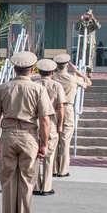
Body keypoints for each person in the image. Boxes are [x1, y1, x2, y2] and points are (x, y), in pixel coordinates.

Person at [0, 51, 52, 213]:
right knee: (27, 181)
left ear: (14, 69)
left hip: (8, 135)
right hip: (29, 136)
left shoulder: (2, 88)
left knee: (8, 181)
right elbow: (45, 120)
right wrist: (44, 143)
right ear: (32, 70)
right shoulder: (38, 89)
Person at [52, 53, 91, 177]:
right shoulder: (73, 78)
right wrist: (77, 71)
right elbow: (88, 82)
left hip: (53, 109)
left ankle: (53, 168)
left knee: (53, 140)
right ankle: (63, 170)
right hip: (68, 109)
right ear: (67, 66)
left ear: (56, 66)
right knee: (65, 141)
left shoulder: (52, 78)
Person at [33, 59, 65, 197]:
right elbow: (61, 106)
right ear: (52, 72)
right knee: (49, 156)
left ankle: (35, 186)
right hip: (50, 122)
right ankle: (46, 187)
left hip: (35, 123)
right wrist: (60, 124)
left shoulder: (33, 84)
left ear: (39, 72)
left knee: (34, 157)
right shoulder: (56, 85)